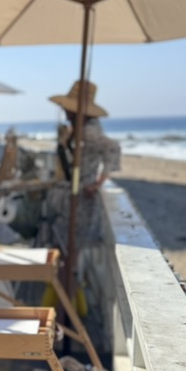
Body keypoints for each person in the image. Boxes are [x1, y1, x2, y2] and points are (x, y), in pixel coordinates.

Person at [43, 79, 121, 261]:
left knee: (71, 249)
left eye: (67, 108)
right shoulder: (81, 129)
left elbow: (113, 148)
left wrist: (99, 182)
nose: (64, 111)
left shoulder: (88, 132)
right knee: (67, 247)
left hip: (82, 195)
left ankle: (68, 282)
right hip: (75, 193)